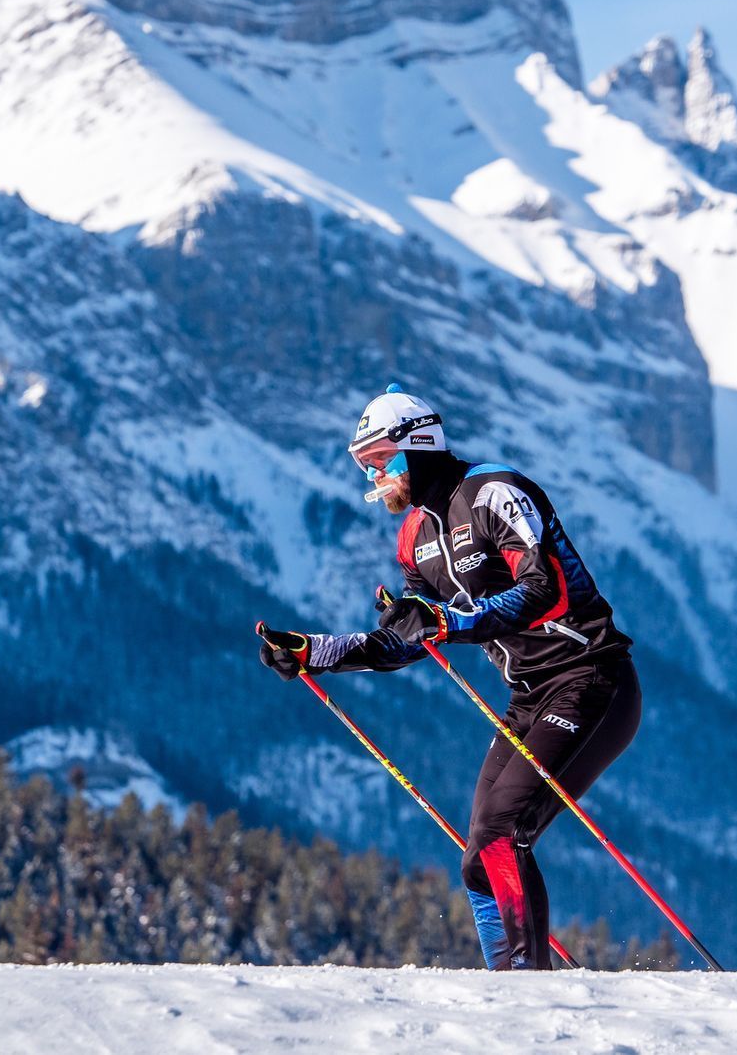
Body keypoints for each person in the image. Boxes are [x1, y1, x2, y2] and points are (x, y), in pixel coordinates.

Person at [257, 385, 640, 971]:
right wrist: (317, 652)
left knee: (502, 830)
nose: (372, 476)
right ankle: (511, 981)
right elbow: (412, 636)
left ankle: (529, 994)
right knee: (479, 856)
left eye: (380, 459)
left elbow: (546, 589)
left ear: (419, 445)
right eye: (364, 464)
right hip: (529, 695)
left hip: (591, 678)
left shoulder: (494, 493)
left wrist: (449, 619)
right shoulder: (414, 538)